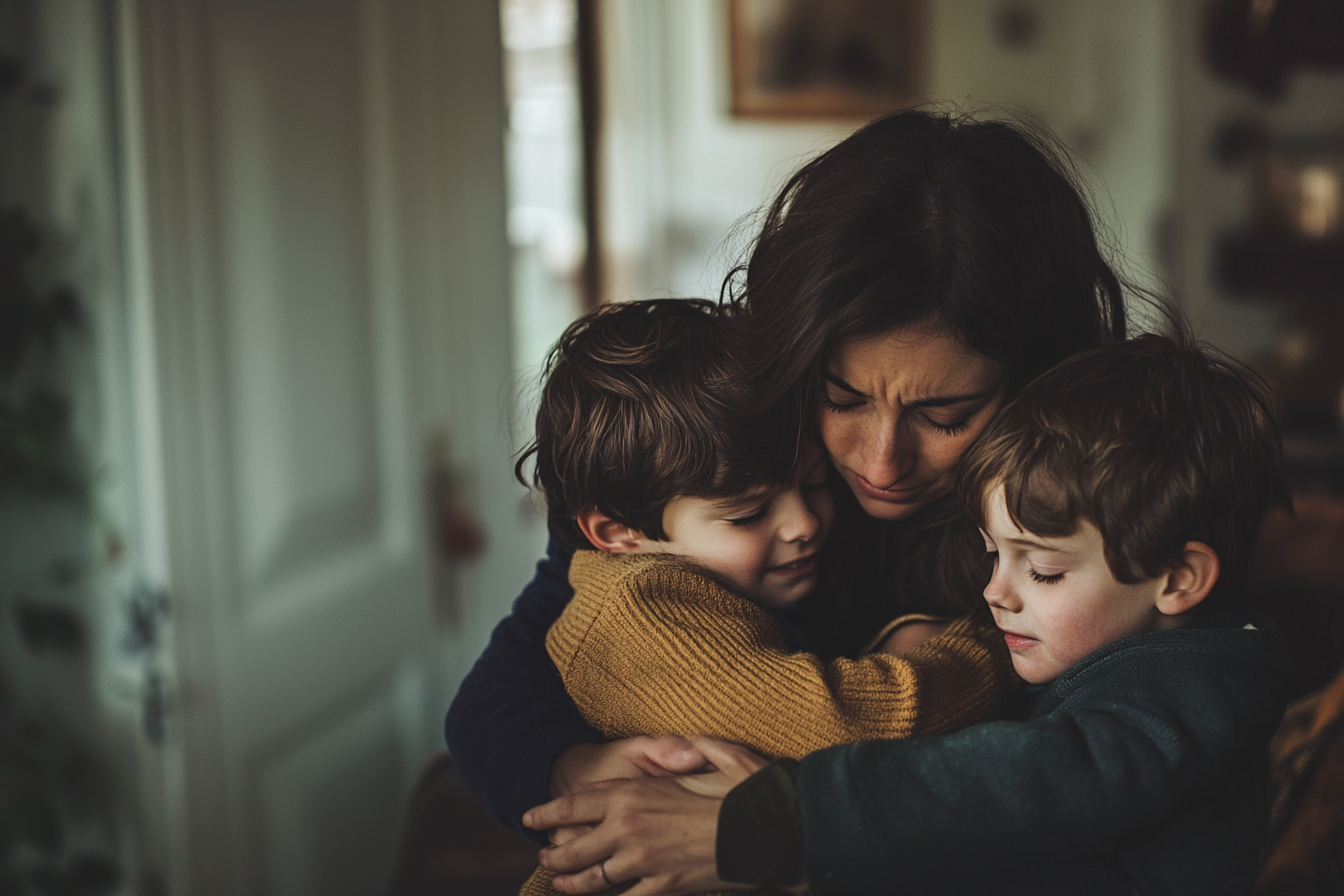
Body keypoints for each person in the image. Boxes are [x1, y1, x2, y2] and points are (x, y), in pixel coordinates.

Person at [445, 108, 1130, 893]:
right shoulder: (713, 447)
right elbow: (494, 698)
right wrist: (579, 768)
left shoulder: (1087, 523)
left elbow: (1084, 788)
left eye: (946, 418)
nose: (881, 462)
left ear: (1031, 384)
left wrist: (772, 834)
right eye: (841, 398)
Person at [530, 334, 1292, 894]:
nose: (995, 593)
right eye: (994, 556)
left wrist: (794, 820)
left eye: (1045, 568)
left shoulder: (1195, 693)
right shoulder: (636, 602)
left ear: (1180, 578)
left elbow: (1035, 780)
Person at [514, 298, 1017, 895]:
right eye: (750, 513)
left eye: (811, 483)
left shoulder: (703, 583)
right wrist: (986, 641)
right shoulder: (642, 613)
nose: (803, 523)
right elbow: (844, 727)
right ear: (619, 533)